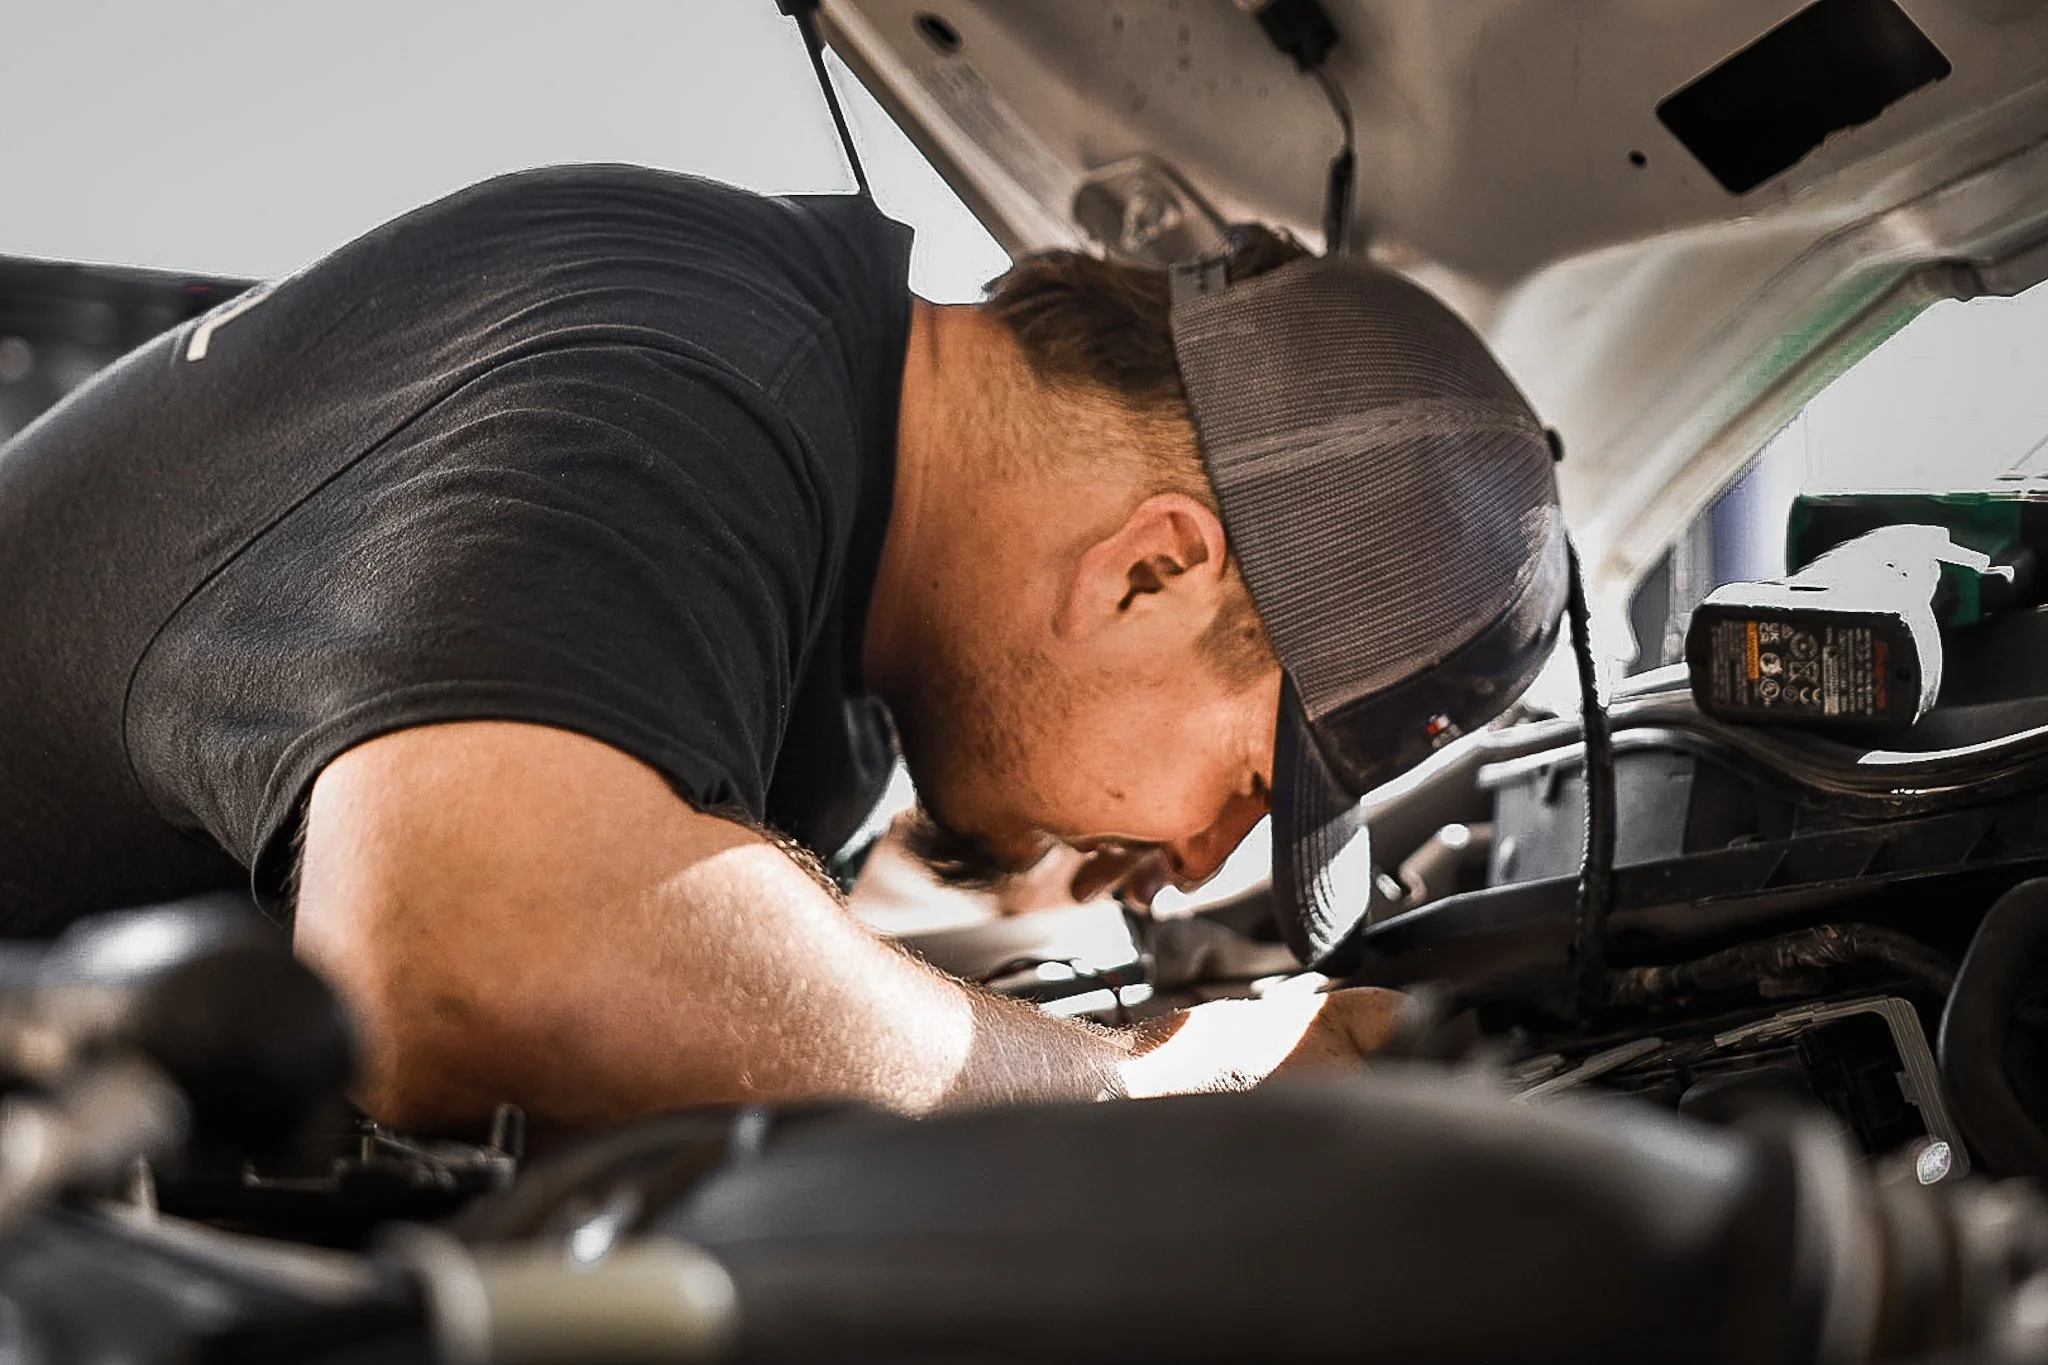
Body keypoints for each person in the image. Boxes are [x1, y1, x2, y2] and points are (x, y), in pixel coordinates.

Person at [0, 165, 1564, 1133]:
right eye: (1248, 781)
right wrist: (1159, 1085)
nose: (1188, 863)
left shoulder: (845, 638)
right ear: (1154, 568)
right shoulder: (694, 374)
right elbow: (471, 971)